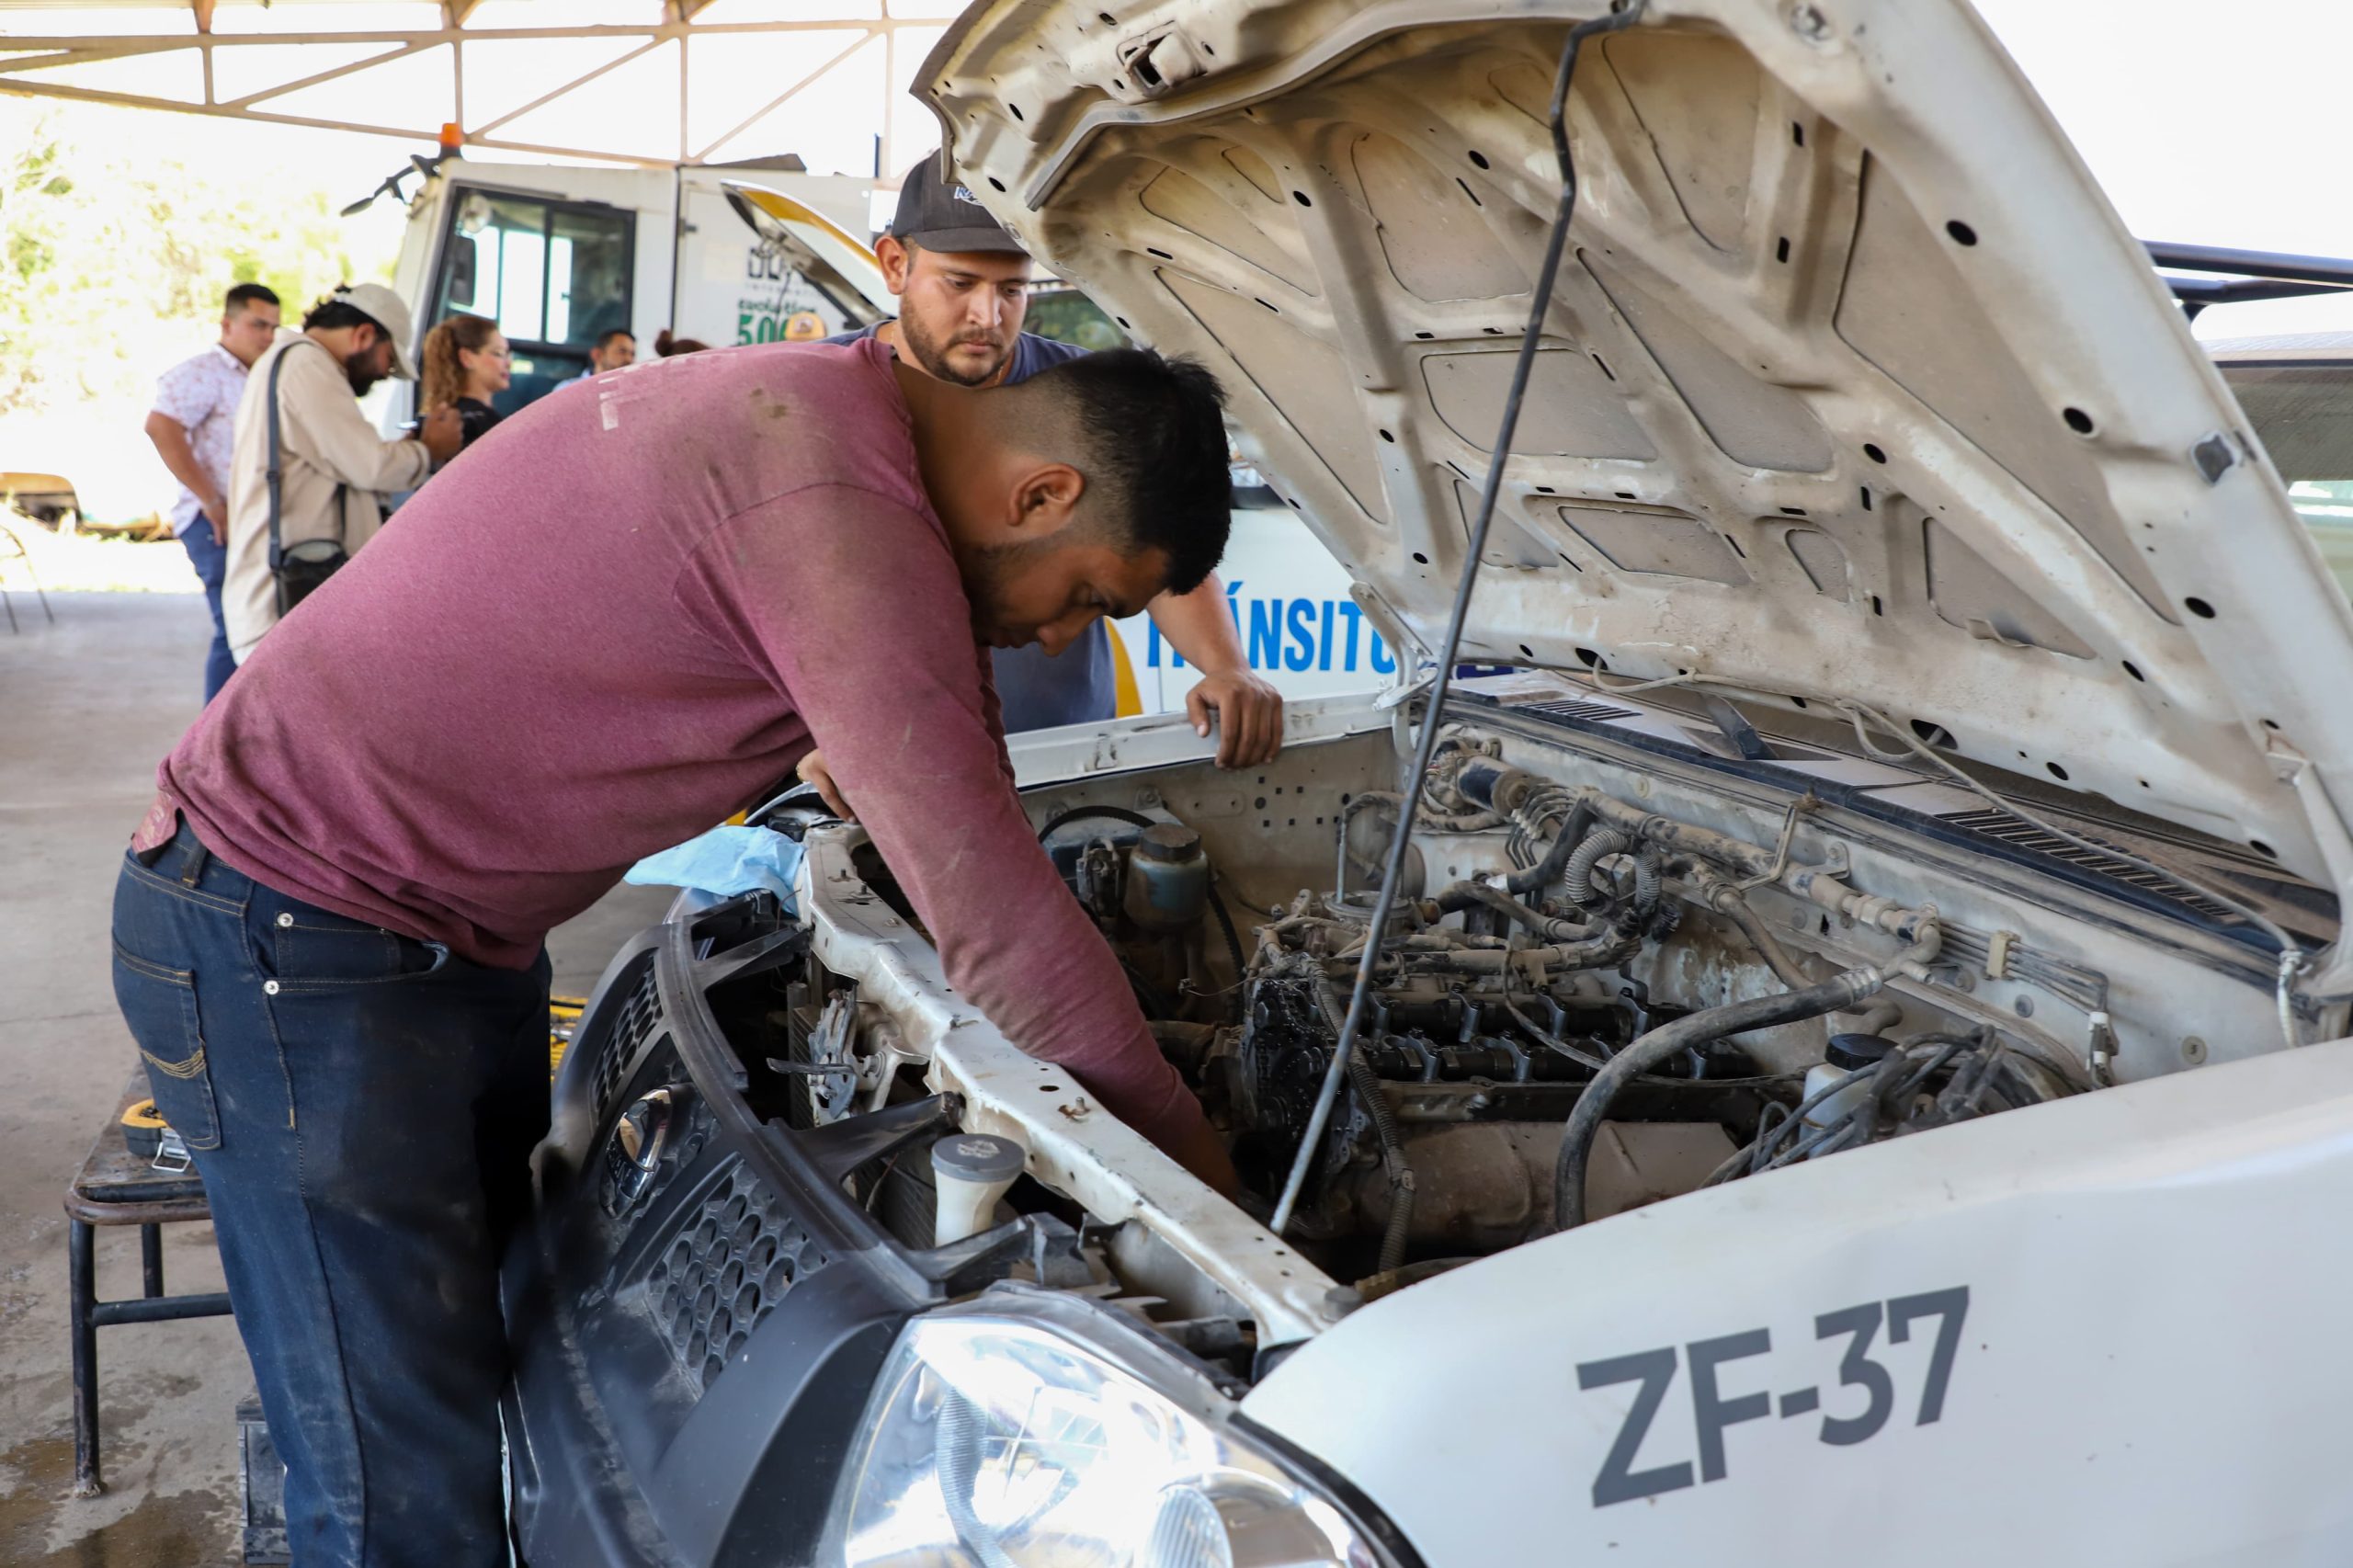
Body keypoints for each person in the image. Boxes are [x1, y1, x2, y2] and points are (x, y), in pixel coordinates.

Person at [111, 335, 1240, 1566]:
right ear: (1042, 494)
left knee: (482, 1391)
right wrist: (1211, 1196)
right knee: (399, 1500)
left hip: (422, 935)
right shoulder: (834, 502)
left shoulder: (834, 412)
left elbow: (938, 743)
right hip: (292, 941)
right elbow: (1000, 921)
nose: (1052, 634)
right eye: (1088, 596)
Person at [820, 154, 1283, 769]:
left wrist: (1228, 668)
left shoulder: (1080, 396)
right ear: (895, 265)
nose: (989, 317)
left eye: (1012, 289)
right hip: (864, 769)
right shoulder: (813, 403)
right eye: (960, 284)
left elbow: (1154, 540)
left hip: (1058, 760)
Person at [221, 283, 460, 663]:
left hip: (293, 609)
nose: (384, 374)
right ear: (364, 335)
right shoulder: (307, 365)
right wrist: (430, 450)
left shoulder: (297, 363)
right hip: (285, 611)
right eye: (389, 360)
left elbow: (342, 460)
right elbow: (370, 465)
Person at [143, 282, 281, 703]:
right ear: (227, 323)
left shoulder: (260, 374)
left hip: (245, 522)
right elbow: (160, 425)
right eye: (258, 324)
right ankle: (211, 751)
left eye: (274, 327)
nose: (267, 336)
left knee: (252, 630)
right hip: (214, 523)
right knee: (236, 632)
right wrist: (211, 499)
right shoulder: (206, 371)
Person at [418, 313, 511, 449]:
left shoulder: (439, 421)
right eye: (499, 353)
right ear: (467, 358)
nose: (508, 363)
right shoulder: (484, 423)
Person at [563, 327, 635, 385]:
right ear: (597, 355)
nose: (629, 359)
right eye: (621, 351)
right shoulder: (566, 389)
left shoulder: (632, 391)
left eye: (632, 354)